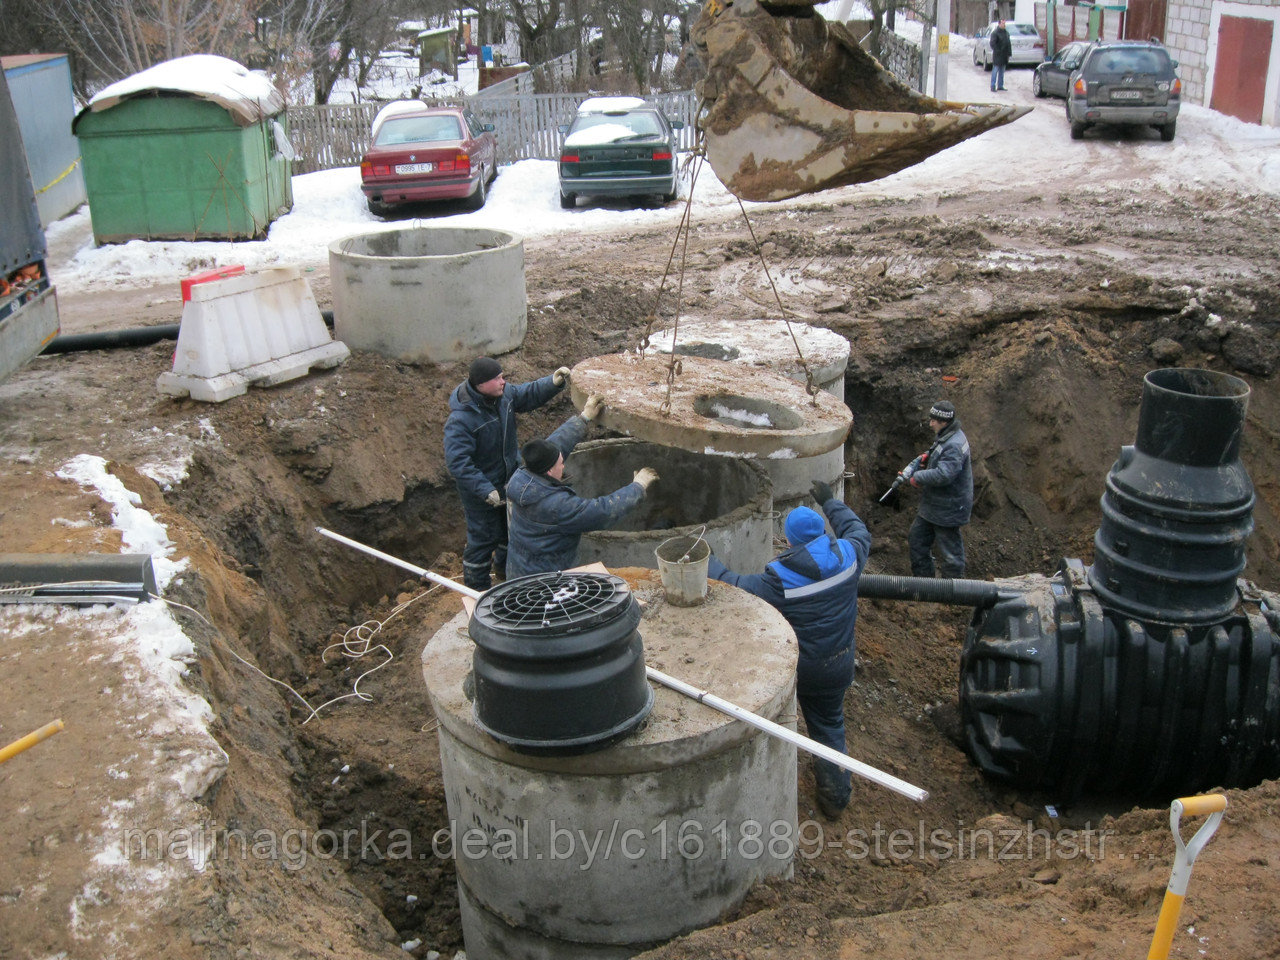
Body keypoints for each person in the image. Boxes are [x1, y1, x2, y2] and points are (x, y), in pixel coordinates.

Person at [706, 480, 871, 819]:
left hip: (800, 669)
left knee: (778, 715)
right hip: (839, 662)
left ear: (789, 539)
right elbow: (856, 528)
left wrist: (706, 560)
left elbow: (735, 587)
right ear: (822, 532)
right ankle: (835, 798)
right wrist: (830, 501)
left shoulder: (780, 579)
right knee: (829, 726)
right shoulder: (849, 554)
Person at [444, 356, 571, 591]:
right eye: (498, 378)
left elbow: (527, 394)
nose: (504, 381)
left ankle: (504, 575)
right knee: (482, 539)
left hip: (508, 482)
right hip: (480, 493)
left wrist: (552, 383)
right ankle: (477, 589)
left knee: (508, 532)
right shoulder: (461, 420)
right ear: (482, 385)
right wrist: (485, 490)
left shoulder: (503, 396)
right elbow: (458, 462)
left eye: (503, 376)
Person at [505, 395, 660, 578]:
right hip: (545, 581)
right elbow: (601, 511)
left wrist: (584, 417)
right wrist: (638, 487)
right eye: (561, 464)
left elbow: (555, 445)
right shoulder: (557, 506)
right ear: (548, 471)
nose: (563, 466)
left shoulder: (523, 475)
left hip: (518, 569)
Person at [903, 400, 974, 579]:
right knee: (917, 540)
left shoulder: (954, 445)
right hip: (934, 505)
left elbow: (944, 475)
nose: (930, 423)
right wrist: (929, 455)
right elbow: (941, 456)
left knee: (950, 553)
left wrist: (917, 476)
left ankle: (952, 594)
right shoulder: (948, 436)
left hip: (949, 509)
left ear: (944, 421)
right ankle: (925, 585)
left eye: (934, 420)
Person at [990, 20, 1012, 92]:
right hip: (998, 55)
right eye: (1002, 23)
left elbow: (1008, 43)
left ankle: (1000, 85)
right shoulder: (995, 33)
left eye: (1004, 23)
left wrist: (1009, 53)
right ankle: (993, 85)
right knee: (995, 70)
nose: (1004, 25)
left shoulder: (1006, 33)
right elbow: (992, 44)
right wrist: (998, 50)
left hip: (1004, 55)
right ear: (999, 24)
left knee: (1002, 71)